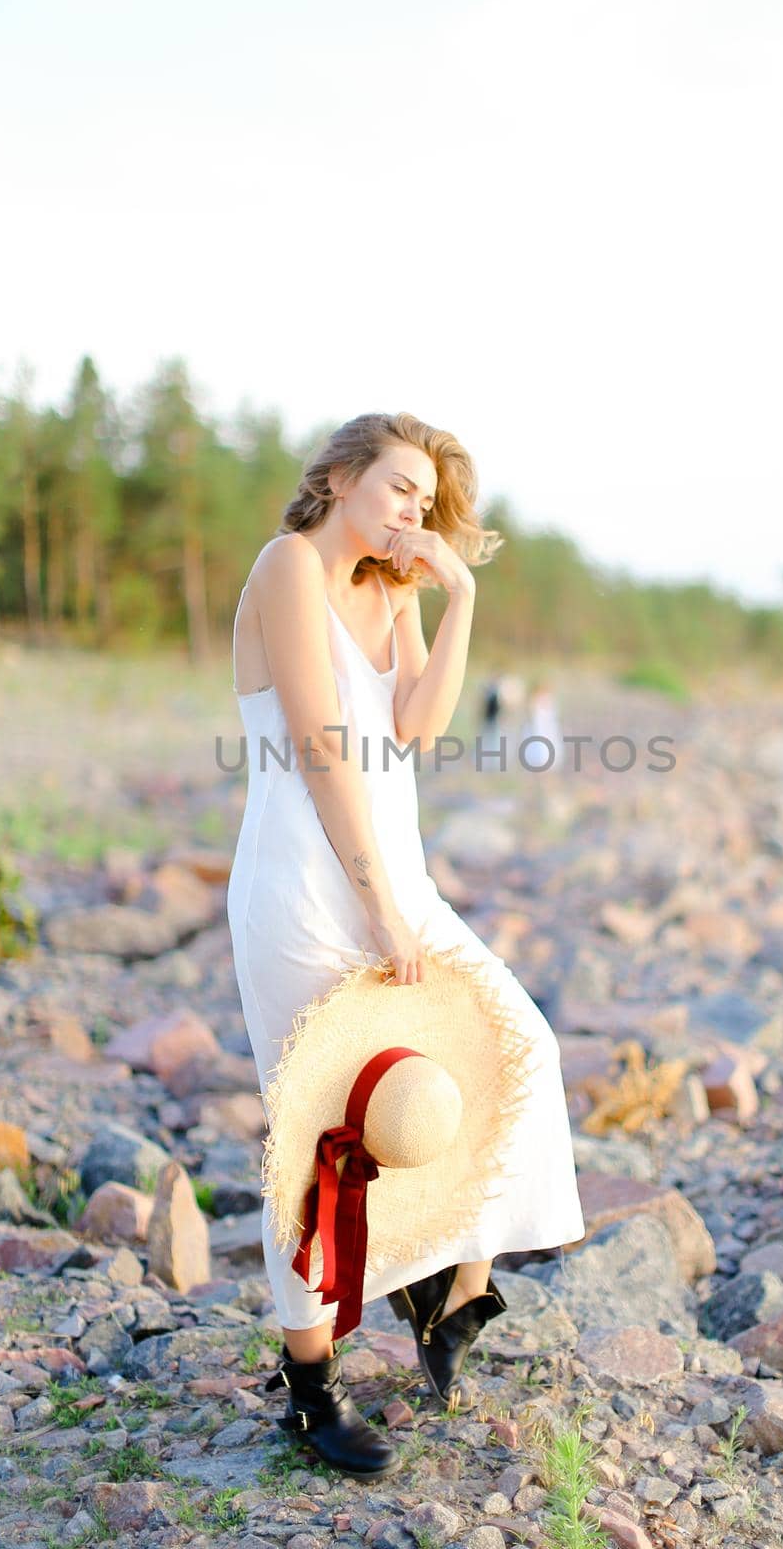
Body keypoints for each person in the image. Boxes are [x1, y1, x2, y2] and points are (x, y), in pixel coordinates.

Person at [226, 411, 585, 1476]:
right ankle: (310, 1388)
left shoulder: (390, 592)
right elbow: (323, 752)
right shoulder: (288, 564)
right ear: (338, 478)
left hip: (397, 884)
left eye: (423, 504)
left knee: (521, 1048)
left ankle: (450, 1288)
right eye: (393, 490)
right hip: (307, 886)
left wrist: (457, 589)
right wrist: (379, 906)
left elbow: (419, 727)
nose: (407, 514)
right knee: (318, 1140)